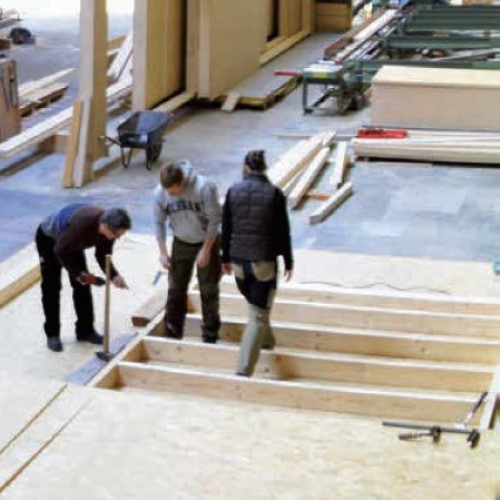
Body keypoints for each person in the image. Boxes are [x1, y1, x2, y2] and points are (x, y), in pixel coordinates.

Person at [221, 150, 293, 377]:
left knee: (257, 308)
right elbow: (283, 232)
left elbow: (226, 227)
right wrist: (288, 261)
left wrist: (225, 258)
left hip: (239, 263)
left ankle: (267, 342)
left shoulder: (233, 190)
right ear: (265, 168)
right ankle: (243, 371)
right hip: (263, 263)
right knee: (257, 316)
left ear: (246, 168)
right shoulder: (274, 194)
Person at [35, 204, 131, 352]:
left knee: (83, 286)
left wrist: (114, 276)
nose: (116, 238)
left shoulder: (110, 231)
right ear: (105, 226)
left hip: (71, 242)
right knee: (51, 286)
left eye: (120, 236)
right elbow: (59, 250)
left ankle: (85, 331)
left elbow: (102, 255)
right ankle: (52, 334)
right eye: (116, 235)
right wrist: (79, 274)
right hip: (50, 239)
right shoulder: (81, 226)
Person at [154, 160, 222, 343]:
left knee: (208, 289)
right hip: (181, 242)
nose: (170, 195)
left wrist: (206, 250)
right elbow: (159, 222)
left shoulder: (205, 188)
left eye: (173, 191)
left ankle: (210, 335)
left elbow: (215, 221)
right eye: (167, 191)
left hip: (207, 240)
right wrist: (163, 252)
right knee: (176, 289)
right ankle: (173, 332)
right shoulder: (160, 193)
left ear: (182, 182)